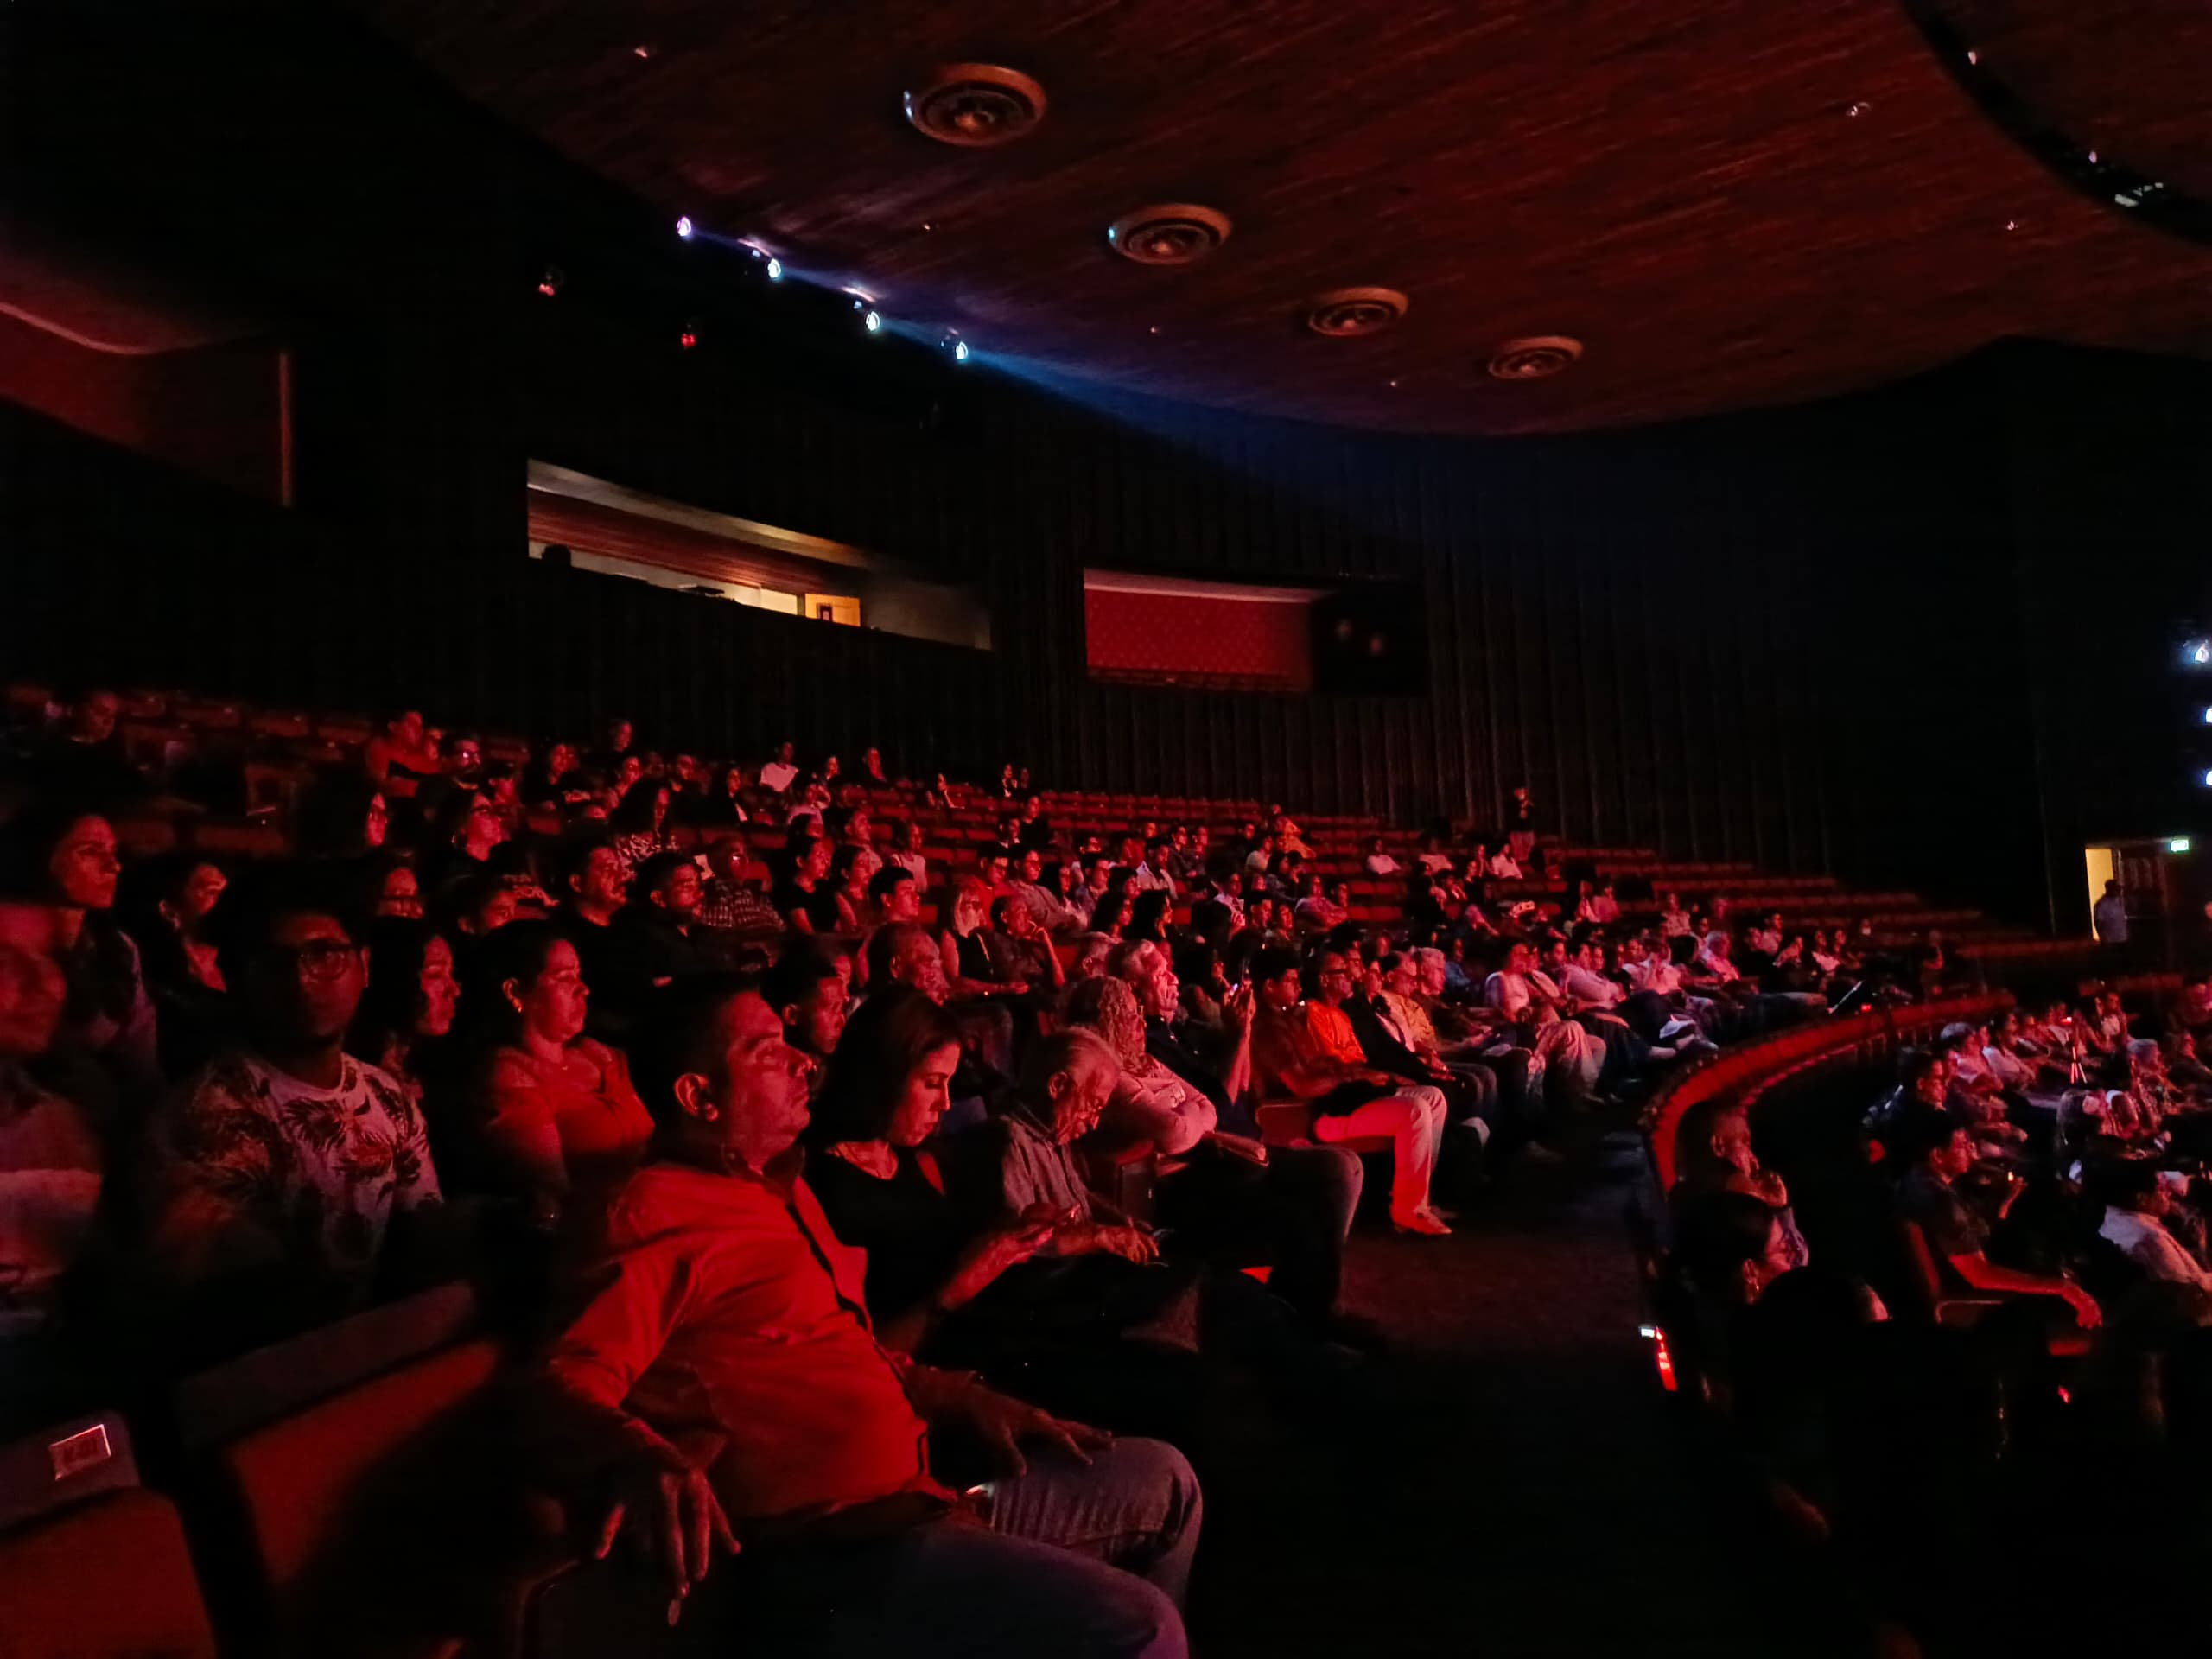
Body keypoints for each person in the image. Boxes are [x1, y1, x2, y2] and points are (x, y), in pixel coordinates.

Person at [529, 981, 1196, 1656]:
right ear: (699, 1097)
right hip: (842, 1546)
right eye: (768, 1052)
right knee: (1139, 1626)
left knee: (1167, 1481)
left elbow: (851, 1346)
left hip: (925, 1489)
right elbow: (557, 1381)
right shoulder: (647, 1214)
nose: (803, 1061)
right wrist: (639, 1455)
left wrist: (961, 1396)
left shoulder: (778, 1187)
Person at [149, 865, 444, 1346]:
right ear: (234, 977)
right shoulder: (206, 1121)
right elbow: (241, 1307)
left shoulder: (386, 1095)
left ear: (364, 966)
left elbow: (424, 1237)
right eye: (273, 963)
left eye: (325, 955)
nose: (302, 982)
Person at [1248, 947, 1449, 1236]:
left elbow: (1324, 1065)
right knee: (1415, 1111)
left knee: (1433, 1097)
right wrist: (1352, 1075)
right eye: (1291, 981)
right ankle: (1409, 1211)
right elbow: (1303, 1086)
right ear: (1270, 986)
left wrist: (1370, 1075)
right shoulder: (1270, 1030)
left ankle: (1418, 1197)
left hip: (1337, 1101)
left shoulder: (1289, 1021)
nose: (1299, 987)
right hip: (1316, 1116)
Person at [465, 921, 652, 1208]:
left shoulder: (597, 1054)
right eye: (564, 978)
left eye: (579, 975)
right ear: (515, 992)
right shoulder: (510, 1077)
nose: (583, 990)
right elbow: (554, 1193)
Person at [0, 804, 160, 1126]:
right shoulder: (10, 939)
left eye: (113, 853)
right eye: (90, 852)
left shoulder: (117, 949)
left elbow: (140, 1053)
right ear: (40, 857)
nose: (113, 866)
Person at [1893, 1109, 2100, 1329]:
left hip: (1997, 1254)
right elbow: (1980, 1275)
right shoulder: (1940, 1201)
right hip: (1988, 1302)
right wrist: (2061, 1287)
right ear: (1937, 1155)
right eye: (1962, 1145)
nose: (1971, 1149)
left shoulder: (1918, 1180)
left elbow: (1969, 1235)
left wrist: (2004, 1204)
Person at [2094, 1162, 2212, 1294]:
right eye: (2161, 1189)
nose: (2169, 1193)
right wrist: (2202, 1250)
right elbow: (2191, 1291)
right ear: (2142, 1199)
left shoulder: (2113, 1219)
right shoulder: (2151, 1238)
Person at [761, 948, 852, 1073]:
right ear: (792, 1015)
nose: (841, 1021)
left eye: (842, 1008)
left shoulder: (845, 1068)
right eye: (832, 1009)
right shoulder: (772, 1076)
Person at [696, 835, 781, 935]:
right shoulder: (717, 893)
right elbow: (722, 936)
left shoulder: (754, 891)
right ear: (720, 862)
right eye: (736, 857)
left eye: (745, 854)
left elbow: (780, 926)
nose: (745, 860)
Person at [2093, 878, 2128, 947]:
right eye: (2116, 888)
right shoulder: (2101, 904)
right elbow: (2099, 923)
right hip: (2110, 941)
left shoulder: (2119, 901)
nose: (2119, 890)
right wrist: (2103, 938)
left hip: (2122, 939)